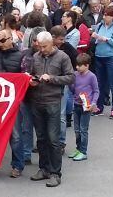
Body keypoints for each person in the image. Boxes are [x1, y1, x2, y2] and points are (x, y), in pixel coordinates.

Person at [26, 31, 75, 188]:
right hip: (37, 101)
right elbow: (33, 74)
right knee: (40, 138)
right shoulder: (36, 57)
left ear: (52, 43)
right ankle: (44, 168)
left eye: (44, 46)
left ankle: (55, 173)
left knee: (53, 139)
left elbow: (71, 77)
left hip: (53, 101)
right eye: (39, 47)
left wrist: (52, 78)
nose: (42, 49)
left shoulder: (62, 57)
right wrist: (31, 80)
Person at [0, 29, 26, 178]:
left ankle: (18, 165)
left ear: (10, 39)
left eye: (2, 41)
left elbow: (25, 74)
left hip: (13, 101)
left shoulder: (20, 56)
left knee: (16, 134)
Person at [92, 7, 113, 119]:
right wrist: (95, 37)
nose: (104, 17)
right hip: (99, 56)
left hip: (112, 57)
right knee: (100, 83)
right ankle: (99, 107)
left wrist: (105, 39)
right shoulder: (99, 26)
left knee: (112, 83)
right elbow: (95, 39)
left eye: (107, 15)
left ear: (112, 16)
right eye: (104, 15)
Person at [68, 53, 98, 162]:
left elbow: (96, 91)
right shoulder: (75, 75)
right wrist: (70, 84)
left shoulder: (91, 76)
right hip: (76, 105)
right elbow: (72, 89)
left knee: (83, 129)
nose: (77, 67)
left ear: (87, 65)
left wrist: (93, 103)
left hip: (86, 106)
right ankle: (78, 148)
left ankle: (83, 151)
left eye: (80, 65)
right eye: (77, 65)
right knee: (76, 129)